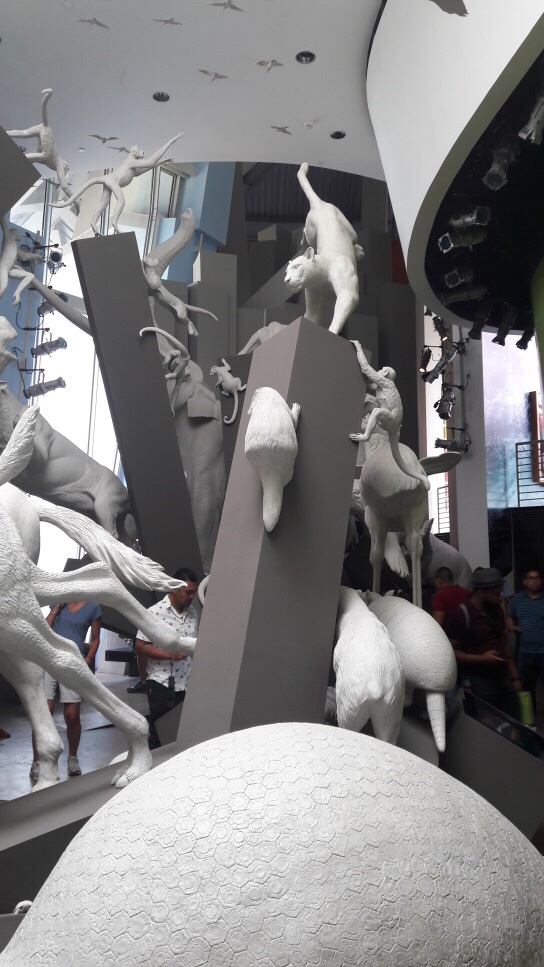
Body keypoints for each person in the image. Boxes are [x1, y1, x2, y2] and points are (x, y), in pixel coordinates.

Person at [30, 600, 102, 781]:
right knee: (43, 712)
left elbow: (95, 639)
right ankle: (37, 761)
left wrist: (88, 660)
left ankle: (73, 757)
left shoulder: (93, 607)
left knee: (72, 715)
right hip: (49, 659)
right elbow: (43, 630)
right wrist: (55, 609)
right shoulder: (58, 601)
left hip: (73, 662)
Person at [135, 568, 199, 749]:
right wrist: (170, 655)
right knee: (159, 733)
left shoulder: (193, 613)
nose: (192, 596)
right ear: (174, 589)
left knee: (182, 733)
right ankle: (154, 765)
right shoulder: (154, 613)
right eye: (188, 592)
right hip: (161, 683)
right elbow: (140, 646)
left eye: (194, 592)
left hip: (186, 684)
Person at [445, 567, 521, 715]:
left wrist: (515, 677)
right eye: (496, 594)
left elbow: (504, 642)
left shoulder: (495, 609)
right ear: (480, 591)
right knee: (488, 721)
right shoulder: (462, 614)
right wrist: (481, 658)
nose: (500, 598)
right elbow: (450, 651)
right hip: (480, 680)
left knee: (512, 719)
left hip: (503, 676)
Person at [507, 567, 544, 716]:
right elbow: (509, 616)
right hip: (525, 652)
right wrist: (512, 627)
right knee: (525, 689)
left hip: (543, 652)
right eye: (531, 578)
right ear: (524, 582)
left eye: (537, 578)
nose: (534, 581)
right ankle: (528, 721)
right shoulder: (517, 599)